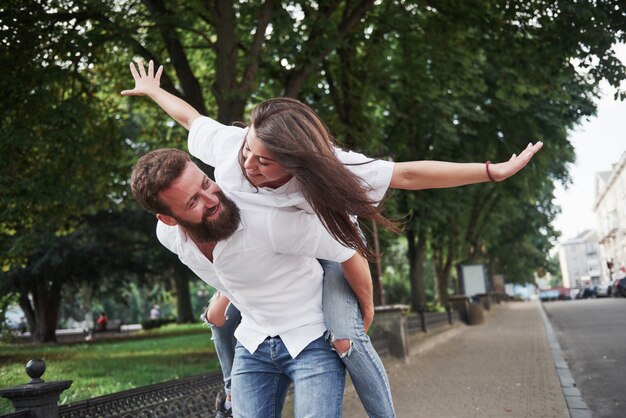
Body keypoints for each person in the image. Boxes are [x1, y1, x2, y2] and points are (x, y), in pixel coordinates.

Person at [122, 60, 543, 418]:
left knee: (345, 333)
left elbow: (408, 175)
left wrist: (491, 171)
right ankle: (232, 391)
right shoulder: (232, 152)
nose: (249, 165)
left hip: (335, 246)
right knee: (218, 318)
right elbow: (191, 120)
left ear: (296, 163)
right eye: (249, 151)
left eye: (265, 162)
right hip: (271, 250)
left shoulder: (330, 169)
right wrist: (154, 91)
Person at [130, 148, 373, 417]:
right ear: (168, 219)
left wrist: (367, 307)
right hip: (254, 340)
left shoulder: (266, 221)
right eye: (192, 202)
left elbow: (346, 249)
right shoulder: (168, 236)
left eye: (205, 183)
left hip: (311, 336)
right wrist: (222, 299)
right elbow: (230, 273)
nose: (211, 199)